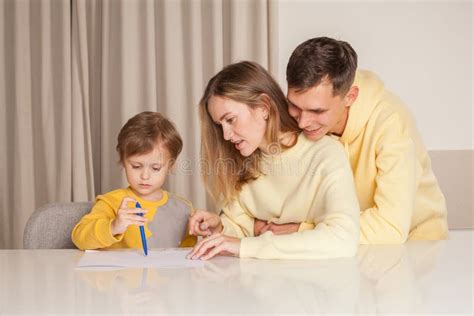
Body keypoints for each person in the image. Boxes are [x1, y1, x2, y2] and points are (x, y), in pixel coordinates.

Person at [256, 37, 448, 244]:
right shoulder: (298, 119)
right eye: (294, 106)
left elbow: (390, 228)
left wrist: (303, 229)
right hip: (346, 244)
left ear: (350, 97)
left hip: (415, 245)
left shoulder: (391, 123)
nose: (302, 122)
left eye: (317, 111)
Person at [186, 61, 360, 260]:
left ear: (263, 107)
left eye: (231, 120)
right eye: (220, 125)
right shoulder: (241, 161)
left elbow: (343, 240)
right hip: (256, 283)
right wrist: (219, 227)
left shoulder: (326, 155)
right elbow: (240, 232)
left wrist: (251, 244)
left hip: (313, 283)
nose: (225, 135)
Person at [72, 111, 196, 250]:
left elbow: (188, 255)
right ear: (123, 161)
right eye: (136, 166)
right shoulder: (111, 202)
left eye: (155, 168)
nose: (145, 176)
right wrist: (113, 226)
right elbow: (79, 238)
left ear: (170, 166)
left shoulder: (183, 208)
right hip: (120, 272)